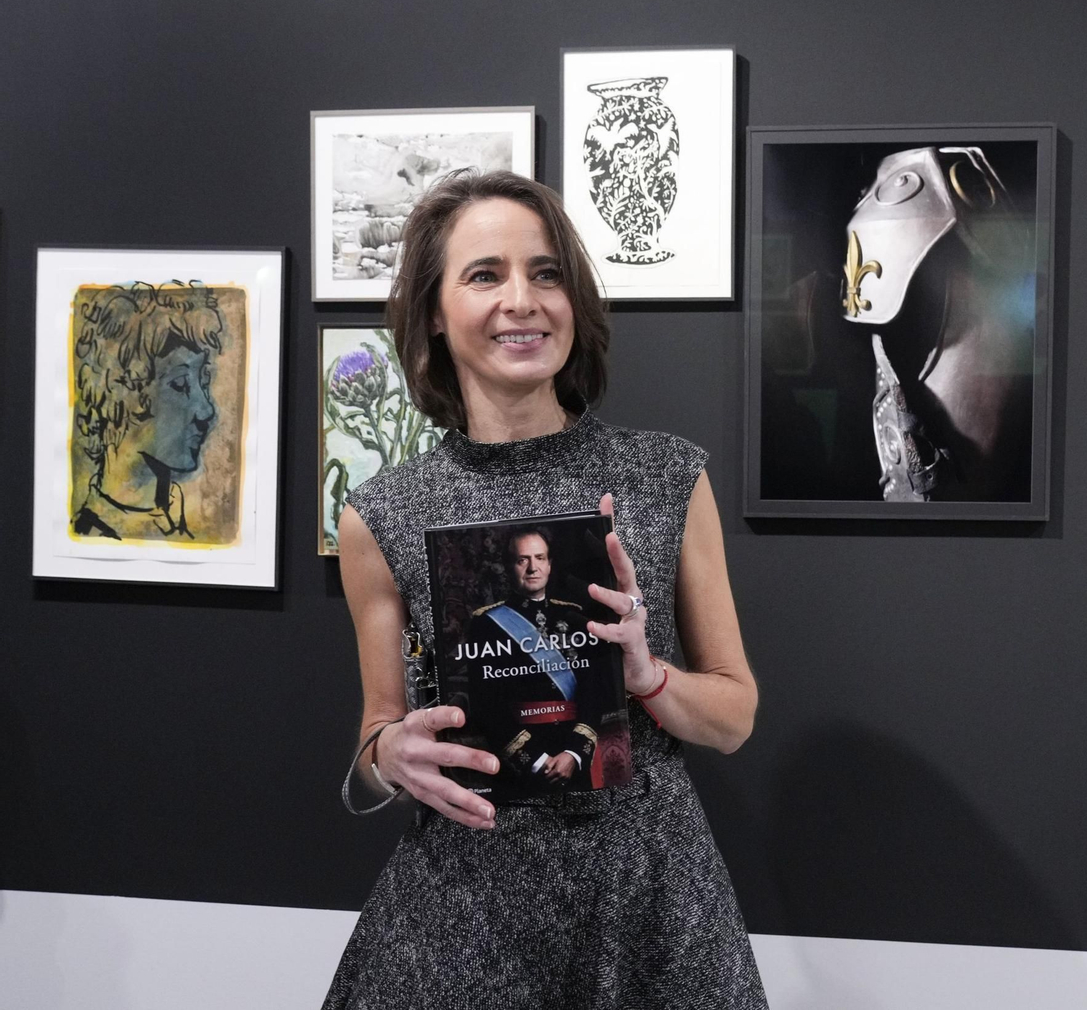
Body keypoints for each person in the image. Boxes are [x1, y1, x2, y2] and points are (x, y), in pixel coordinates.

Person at [324, 169, 767, 1009]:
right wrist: (390, 755)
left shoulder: (666, 478)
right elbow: (375, 741)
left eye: (547, 273)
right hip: (463, 916)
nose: (521, 301)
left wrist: (649, 677)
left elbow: (735, 716)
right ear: (433, 313)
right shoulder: (380, 516)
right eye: (484, 275)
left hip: (648, 902)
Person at [70, 280, 227, 541]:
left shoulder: (187, 526)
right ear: (124, 394)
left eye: (204, 381)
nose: (206, 410)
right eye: (180, 384)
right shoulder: (88, 535)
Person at [462, 525, 600, 786]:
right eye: (522, 560)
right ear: (508, 566)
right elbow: (486, 705)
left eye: (540, 558)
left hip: (573, 753)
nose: (532, 568)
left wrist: (574, 753)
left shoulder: (574, 617)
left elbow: (594, 692)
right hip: (525, 764)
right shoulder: (487, 624)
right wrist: (536, 760)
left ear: (549, 564)